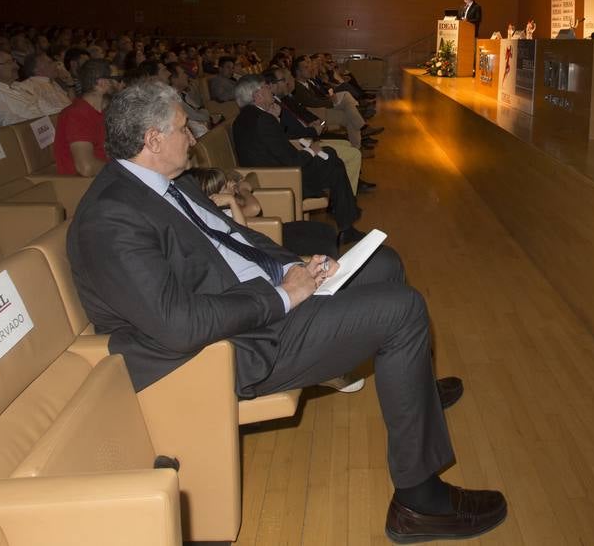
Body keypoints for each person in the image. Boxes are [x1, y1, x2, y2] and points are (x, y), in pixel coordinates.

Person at [66, 81, 506, 542]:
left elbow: (237, 240)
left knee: (383, 263)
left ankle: (412, 388)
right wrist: (283, 296)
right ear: (152, 140)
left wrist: (293, 266)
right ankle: (420, 503)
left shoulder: (164, 184)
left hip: (255, 303)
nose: (193, 137)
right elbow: (179, 326)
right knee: (403, 311)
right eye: (182, 129)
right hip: (222, 349)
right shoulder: (110, 219)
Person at [233, 74, 365, 246]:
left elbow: (274, 147)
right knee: (332, 160)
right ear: (257, 95)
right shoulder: (262, 119)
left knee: (332, 159)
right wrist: (311, 150)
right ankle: (347, 221)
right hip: (283, 178)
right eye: (266, 87)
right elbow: (291, 160)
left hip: (271, 173)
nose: (270, 90)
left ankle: (346, 218)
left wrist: (276, 119)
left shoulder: (245, 118)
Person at [187, 166, 339, 260]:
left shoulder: (229, 203)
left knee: (326, 230)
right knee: (324, 247)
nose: (231, 184)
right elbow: (254, 209)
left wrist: (236, 192)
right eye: (225, 186)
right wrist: (242, 192)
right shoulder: (222, 213)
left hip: (270, 233)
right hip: (269, 239)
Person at [54, 59, 118, 176]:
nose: (121, 84)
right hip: (84, 187)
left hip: (105, 181)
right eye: (117, 79)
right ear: (102, 83)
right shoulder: (76, 115)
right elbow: (86, 167)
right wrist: (123, 172)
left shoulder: (104, 113)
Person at [0, 50, 45, 125]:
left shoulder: (18, 85)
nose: (17, 66)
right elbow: (8, 120)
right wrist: (45, 124)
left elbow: (44, 106)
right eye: (9, 62)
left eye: (14, 61)